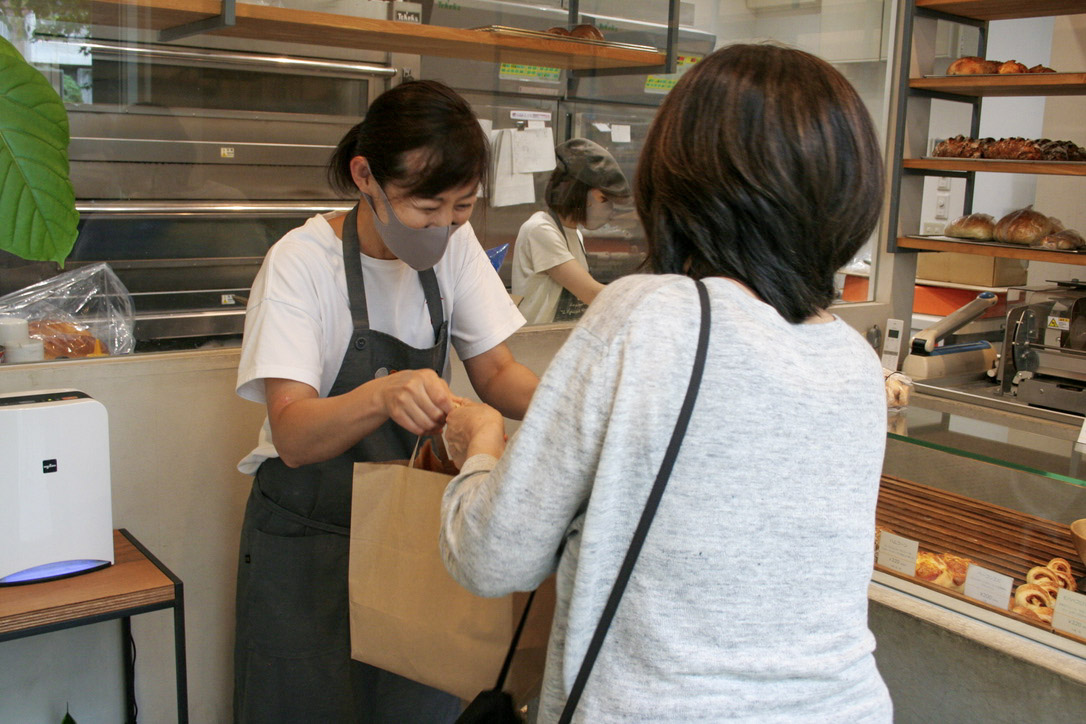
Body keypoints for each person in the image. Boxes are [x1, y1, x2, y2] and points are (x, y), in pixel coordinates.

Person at [438, 44, 893, 722]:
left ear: (682, 180)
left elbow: (492, 558)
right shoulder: (855, 362)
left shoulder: (651, 316)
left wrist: (479, 443)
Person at [232, 79, 539, 723]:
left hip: (406, 535)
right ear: (365, 175)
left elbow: (499, 372)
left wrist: (584, 414)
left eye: (463, 208)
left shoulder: (456, 252)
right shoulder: (300, 263)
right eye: (428, 207)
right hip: (310, 545)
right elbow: (293, 433)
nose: (446, 226)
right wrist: (383, 393)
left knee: (417, 703)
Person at [511, 138, 630, 324]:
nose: (609, 210)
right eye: (604, 199)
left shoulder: (575, 234)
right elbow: (591, 293)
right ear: (580, 194)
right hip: (536, 344)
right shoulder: (540, 230)